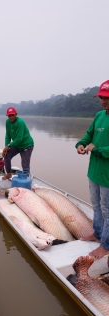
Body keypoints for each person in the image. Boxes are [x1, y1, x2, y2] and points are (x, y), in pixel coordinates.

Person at [76, 79, 109, 259]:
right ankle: (97, 234)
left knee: (108, 210)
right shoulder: (99, 116)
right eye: (101, 97)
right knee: (96, 206)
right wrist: (81, 144)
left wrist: (96, 149)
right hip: (94, 171)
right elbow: (89, 134)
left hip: (108, 176)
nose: (103, 101)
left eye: (107, 98)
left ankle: (106, 245)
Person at [2, 107, 34, 180]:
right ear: (7, 116)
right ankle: (9, 174)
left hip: (27, 145)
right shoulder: (7, 122)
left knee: (24, 163)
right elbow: (8, 135)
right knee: (6, 155)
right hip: (17, 144)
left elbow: (19, 139)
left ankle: (26, 179)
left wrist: (9, 145)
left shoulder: (20, 122)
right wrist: (6, 146)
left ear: (16, 114)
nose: (11, 117)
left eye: (12, 115)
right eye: (9, 115)